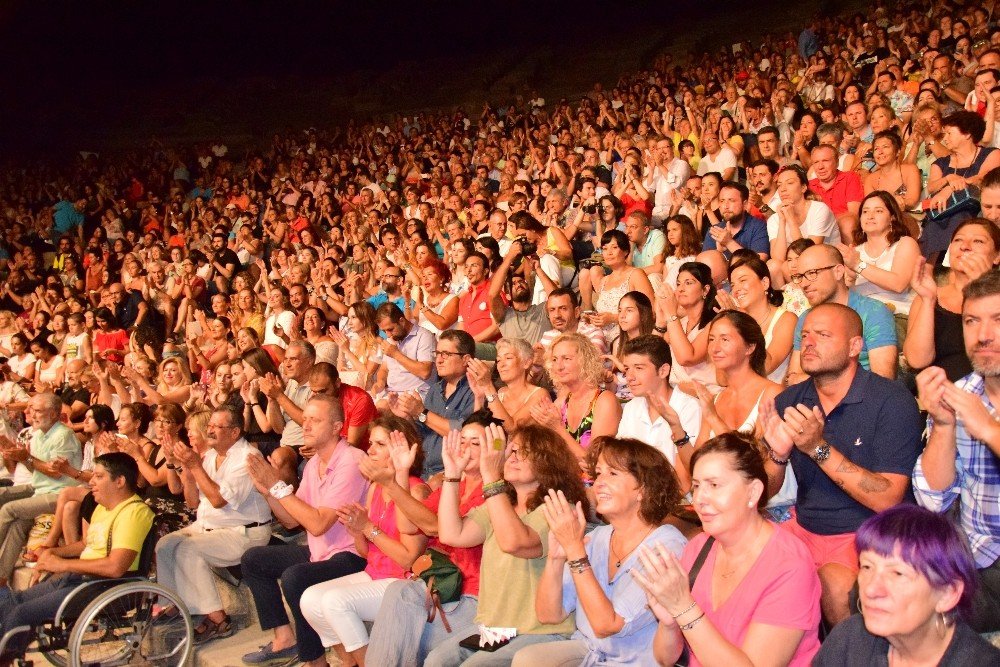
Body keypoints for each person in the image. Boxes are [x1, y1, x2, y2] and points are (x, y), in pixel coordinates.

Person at [761, 303, 922, 626]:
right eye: (805, 335)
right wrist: (777, 455)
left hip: (869, 532)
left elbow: (887, 498)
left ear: (855, 346)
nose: (808, 342)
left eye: (822, 335)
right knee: (741, 566)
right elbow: (765, 491)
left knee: (835, 586)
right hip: (804, 526)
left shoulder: (891, 401)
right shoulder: (789, 400)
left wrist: (817, 448)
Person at [634, 432, 822, 666]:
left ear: (753, 492)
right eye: (696, 486)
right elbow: (665, 658)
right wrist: (670, 622)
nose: (700, 498)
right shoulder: (698, 548)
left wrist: (684, 608)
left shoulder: (789, 565)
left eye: (714, 485)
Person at [516, 437, 687, 666]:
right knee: (528, 659)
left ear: (644, 490)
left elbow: (608, 625)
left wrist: (575, 551)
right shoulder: (597, 537)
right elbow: (549, 615)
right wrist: (556, 559)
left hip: (633, 662)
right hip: (589, 651)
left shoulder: (666, 547)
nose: (599, 484)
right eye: (598, 474)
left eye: (613, 474)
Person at [427, 423, 588, 666]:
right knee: (436, 661)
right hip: (498, 630)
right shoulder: (500, 504)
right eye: (511, 451)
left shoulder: (556, 507)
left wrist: (491, 477)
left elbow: (515, 542)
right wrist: (452, 475)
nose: (513, 457)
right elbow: (452, 534)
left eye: (525, 452)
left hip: (540, 631)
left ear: (549, 462)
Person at [239, 395, 369, 667]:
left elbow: (319, 523)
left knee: (296, 577)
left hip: (353, 554)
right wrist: (268, 493)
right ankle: (285, 638)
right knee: (254, 560)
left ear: (336, 427)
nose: (306, 425)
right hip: (321, 552)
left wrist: (277, 486)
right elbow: (291, 521)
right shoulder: (312, 465)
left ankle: (316, 661)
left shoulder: (351, 461)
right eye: (305, 419)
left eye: (315, 420)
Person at [298, 415, 429, 667]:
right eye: (371, 443)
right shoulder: (375, 488)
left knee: (335, 602)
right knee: (310, 599)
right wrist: (357, 530)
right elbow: (367, 554)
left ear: (402, 449)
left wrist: (368, 528)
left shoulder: (416, 491)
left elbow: (408, 560)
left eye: (380, 444)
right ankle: (353, 662)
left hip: (404, 582)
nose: (370, 450)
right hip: (376, 573)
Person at [364, 413, 491, 666]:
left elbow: (438, 529)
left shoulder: (495, 493)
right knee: (398, 590)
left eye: (475, 443)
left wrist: (391, 486)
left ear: (496, 449)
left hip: (473, 596)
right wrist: (400, 473)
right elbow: (409, 526)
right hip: (439, 586)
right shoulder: (454, 487)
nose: (465, 449)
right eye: (462, 441)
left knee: (415, 641)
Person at [912, 268, 1000, 633]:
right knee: (871, 591)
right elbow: (933, 500)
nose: (982, 336)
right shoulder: (962, 392)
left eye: (998, 320)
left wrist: (991, 431)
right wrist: (945, 426)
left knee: (916, 613)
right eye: (970, 321)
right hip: (972, 557)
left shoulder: (976, 411)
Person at [0, 453, 154, 656]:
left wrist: (63, 565)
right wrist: (51, 552)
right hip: (81, 580)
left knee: (21, 613)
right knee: (8, 599)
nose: (91, 481)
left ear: (119, 481)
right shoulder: (102, 508)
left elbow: (115, 567)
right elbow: (84, 544)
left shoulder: (134, 513)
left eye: (98, 476)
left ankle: (5, 656)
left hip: (105, 586)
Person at [815, 505, 1000, 665]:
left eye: (897, 573)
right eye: (867, 566)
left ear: (947, 594)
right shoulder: (849, 640)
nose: (871, 590)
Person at [155, 405, 273, 645]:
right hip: (210, 525)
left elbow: (219, 500)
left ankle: (218, 619)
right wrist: (182, 466)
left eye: (216, 427)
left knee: (189, 549)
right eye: (209, 426)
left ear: (234, 432)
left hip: (244, 531)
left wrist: (194, 466)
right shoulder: (210, 456)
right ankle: (175, 605)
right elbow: (191, 501)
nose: (210, 431)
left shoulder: (247, 457)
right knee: (165, 544)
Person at [786, 243, 898, 383]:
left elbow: (882, 382)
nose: (803, 284)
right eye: (800, 276)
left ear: (838, 271)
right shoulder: (806, 318)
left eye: (812, 273)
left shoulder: (873, 312)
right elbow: (793, 378)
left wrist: (819, 381)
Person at [905, 219, 1000, 381]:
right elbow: (917, 360)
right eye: (958, 240)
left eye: (978, 241)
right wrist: (928, 301)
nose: (965, 246)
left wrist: (982, 287)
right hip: (942, 397)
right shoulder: (929, 296)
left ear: (997, 256)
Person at [0, 393, 82, 582]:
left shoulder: (64, 435)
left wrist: (26, 457)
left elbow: (57, 472)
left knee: (8, 509)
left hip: (60, 493)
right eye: (30, 409)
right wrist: (16, 454)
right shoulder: (38, 434)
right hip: (40, 488)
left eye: (36, 410)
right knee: (17, 523)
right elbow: (34, 466)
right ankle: (2, 578)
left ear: (53, 414)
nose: (30, 413)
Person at [390, 329, 476, 478]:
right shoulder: (435, 389)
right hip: (422, 470)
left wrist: (421, 413)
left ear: (465, 359)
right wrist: (407, 417)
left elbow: (462, 433)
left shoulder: (475, 391)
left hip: (452, 472)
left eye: (446, 354)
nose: (439, 360)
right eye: (437, 354)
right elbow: (421, 432)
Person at [922, 110, 1000, 259]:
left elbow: (982, 179)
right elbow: (931, 188)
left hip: (976, 209)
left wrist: (949, 189)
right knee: (936, 221)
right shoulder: (941, 163)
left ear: (967, 134)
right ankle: (927, 269)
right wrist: (948, 178)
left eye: (949, 133)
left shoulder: (991, 154)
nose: (945, 139)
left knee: (959, 216)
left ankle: (955, 262)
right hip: (943, 211)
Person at [533, 332, 621, 459]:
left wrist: (557, 428)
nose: (558, 366)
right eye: (554, 359)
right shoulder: (561, 402)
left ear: (585, 361)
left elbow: (594, 462)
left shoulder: (605, 401)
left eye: (567, 359)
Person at [840, 191, 919, 316]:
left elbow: (898, 284)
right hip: (860, 315)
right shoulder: (855, 252)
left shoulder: (905, 243)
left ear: (892, 217)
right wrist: (849, 277)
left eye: (878, 211)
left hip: (897, 314)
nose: (870, 216)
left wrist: (857, 265)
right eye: (865, 211)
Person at [728, 253, 797, 383]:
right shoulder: (734, 321)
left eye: (743, 280)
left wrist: (739, 325)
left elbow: (765, 367)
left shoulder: (787, 319)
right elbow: (722, 377)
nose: (736, 289)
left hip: (772, 398)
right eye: (732, 285)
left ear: (765, 283)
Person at [655, 261, 720, 396]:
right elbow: (650, 355)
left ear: (705, 290)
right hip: (677, 396)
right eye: (678, 284)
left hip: (706, 399)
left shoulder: (716, 323)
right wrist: (660, 322)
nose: (680, 289)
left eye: (688, 283)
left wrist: (671, 315)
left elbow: (686, 358)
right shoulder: (680, 324)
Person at [580, 230, 654, 342]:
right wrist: (593, 319)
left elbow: (650, 312)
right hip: (600, 338)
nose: (609, 253)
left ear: (625, 251)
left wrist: (614, 318)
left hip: (627, 338)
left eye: (614, 248)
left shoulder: (635, 274)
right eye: (605, 249)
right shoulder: (604, 281)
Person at [467, 338, 546, 429]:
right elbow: (481, 428)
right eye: (499, 360)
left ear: (527, 363)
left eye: (508, 358)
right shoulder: (501, 393)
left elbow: (512, 429)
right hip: (498, 443)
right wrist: (479, 397)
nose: (501, 365)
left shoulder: (540, 394)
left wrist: (488, 387)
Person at [371, 303, 436, 406]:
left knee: (380, 409)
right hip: (392, 393)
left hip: (415, 396)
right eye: (384, 331)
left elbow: (425, 372)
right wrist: (380, 383)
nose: (388, 335)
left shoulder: (424, 336)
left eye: (390, 329)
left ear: (401, 321)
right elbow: (384, 369)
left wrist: (396, 354)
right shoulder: (391, 339)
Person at [700, 182, 771, 260]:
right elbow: (704, 266)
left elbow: (760, 261)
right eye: (722, 201)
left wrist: (729, 243)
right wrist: (719, 253)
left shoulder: (758, 226)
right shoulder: (714, 230)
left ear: (745, 204)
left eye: (731, 200)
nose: (725, 206)